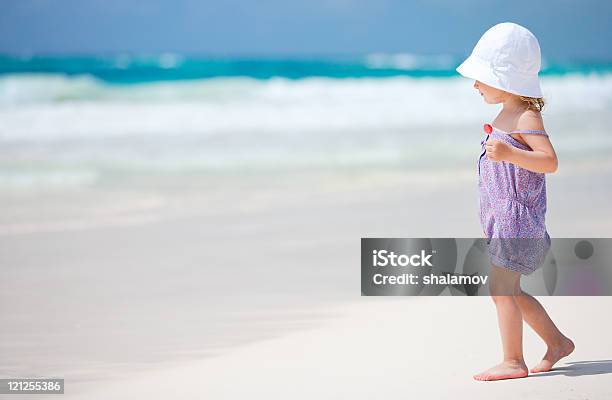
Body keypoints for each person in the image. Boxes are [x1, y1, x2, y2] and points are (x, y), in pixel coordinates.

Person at [456, 22, 574, 381]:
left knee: (501, 289)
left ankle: (513, 361)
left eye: (481, 77)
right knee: (511, 290)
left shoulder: (526, 116)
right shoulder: (506, 114)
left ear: (505, 78)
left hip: (519, 223)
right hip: (503, 220)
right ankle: (557, 342)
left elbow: (549, 161)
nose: (475, 84)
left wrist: (508, 152)